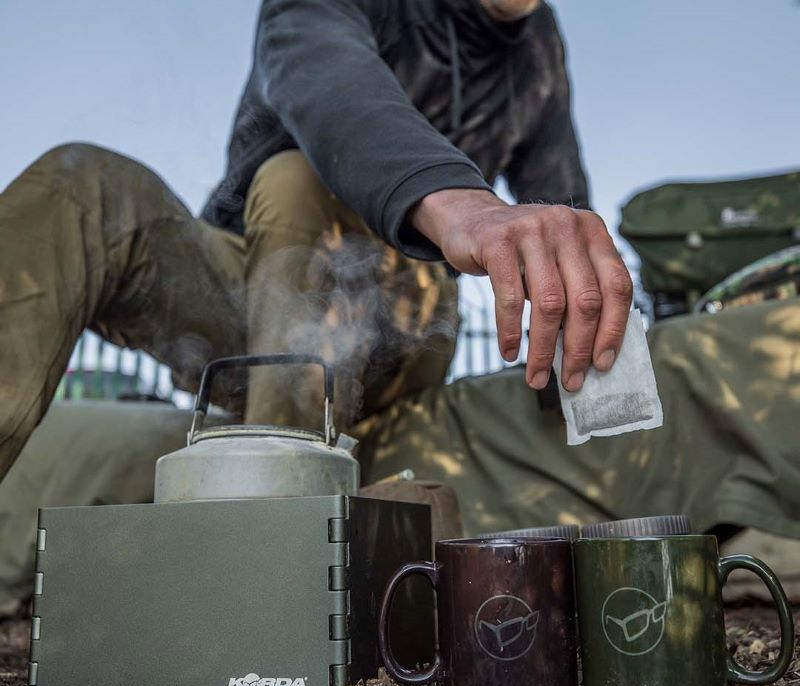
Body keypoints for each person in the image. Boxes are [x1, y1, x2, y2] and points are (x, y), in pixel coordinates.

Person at [0, 0, 632, 482]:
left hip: (399, 333)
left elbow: (562, 205)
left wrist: (584, 337)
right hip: (251, 293)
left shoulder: (539, 50)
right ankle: (275, 481)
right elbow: (326, 72)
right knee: (83, 187)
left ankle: (278, 535)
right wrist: (455, 199)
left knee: (305, 188)